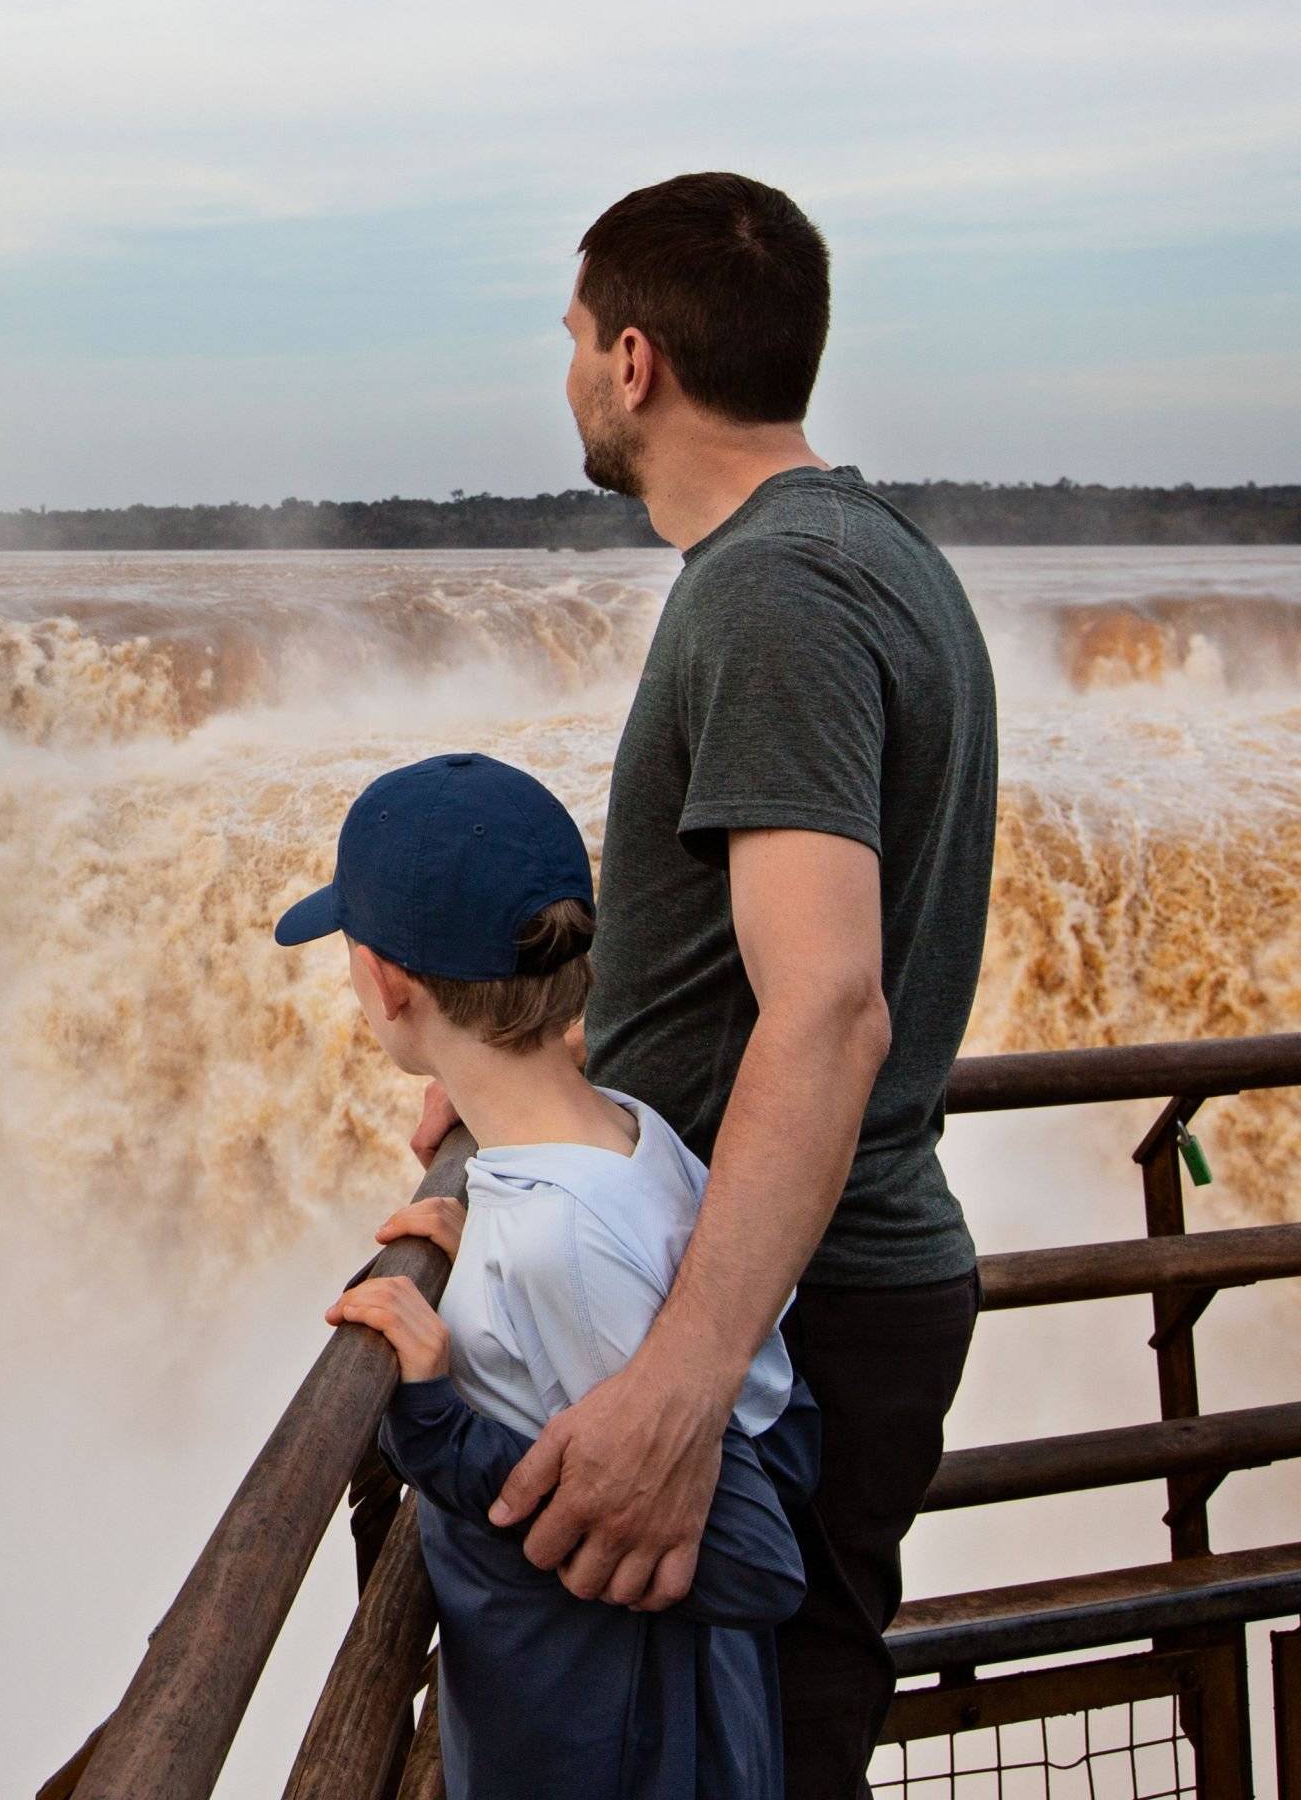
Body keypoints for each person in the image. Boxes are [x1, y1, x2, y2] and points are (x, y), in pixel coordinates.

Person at [408, 172, 997, 1799]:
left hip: (788, 1299)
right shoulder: (861, 554)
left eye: (574, 339)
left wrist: (682, 1383)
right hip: (807, 1273)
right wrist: (520, 1081)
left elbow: (826, 1007)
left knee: (751, 1761)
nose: (572, 375)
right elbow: (741, 975)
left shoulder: (775, 593)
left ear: (637, 364)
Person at [287, 751, 819, 1800]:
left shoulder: (558, 1245)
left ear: (392, 988)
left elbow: (755, 1554)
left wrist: (440, 1426)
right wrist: (474, 1239)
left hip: (621, 1753)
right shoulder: (634, 1132)